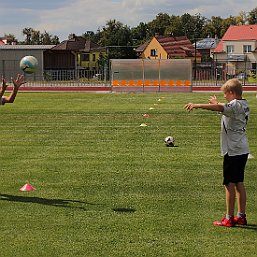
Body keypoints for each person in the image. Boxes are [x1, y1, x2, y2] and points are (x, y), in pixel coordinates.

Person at [184, 78, 250, 227]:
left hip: (233, 150)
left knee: (229, 184)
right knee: (239, 182)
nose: (225, 97)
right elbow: (225, 107)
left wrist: (197, 105)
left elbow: (223, 108)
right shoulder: (244, 104)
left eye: (226, 94)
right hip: (242, 149)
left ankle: (229, 218)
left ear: (232, 93)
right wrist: (217, 103)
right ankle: (241, 216)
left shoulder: (234, 106)